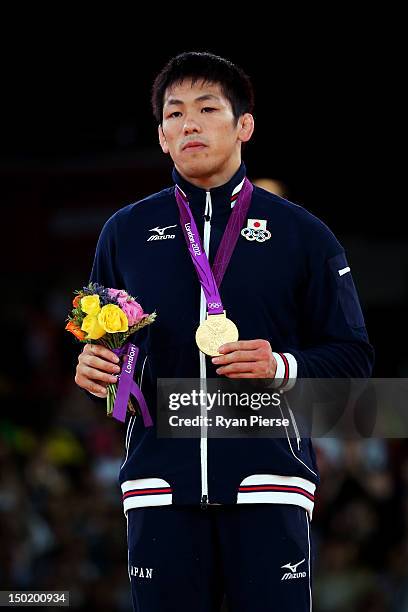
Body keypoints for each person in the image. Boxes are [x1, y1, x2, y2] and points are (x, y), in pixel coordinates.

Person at [74, 52, 374, 612]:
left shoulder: (302, 235)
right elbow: (108, 353)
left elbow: (355, 363)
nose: (189, 123)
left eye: (208, 108)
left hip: (269, 481)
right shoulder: (125, 233)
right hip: (159, 485)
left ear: (245, 125)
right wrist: (95, 369)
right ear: (162, 136)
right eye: (174, 113)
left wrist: (282, 367)